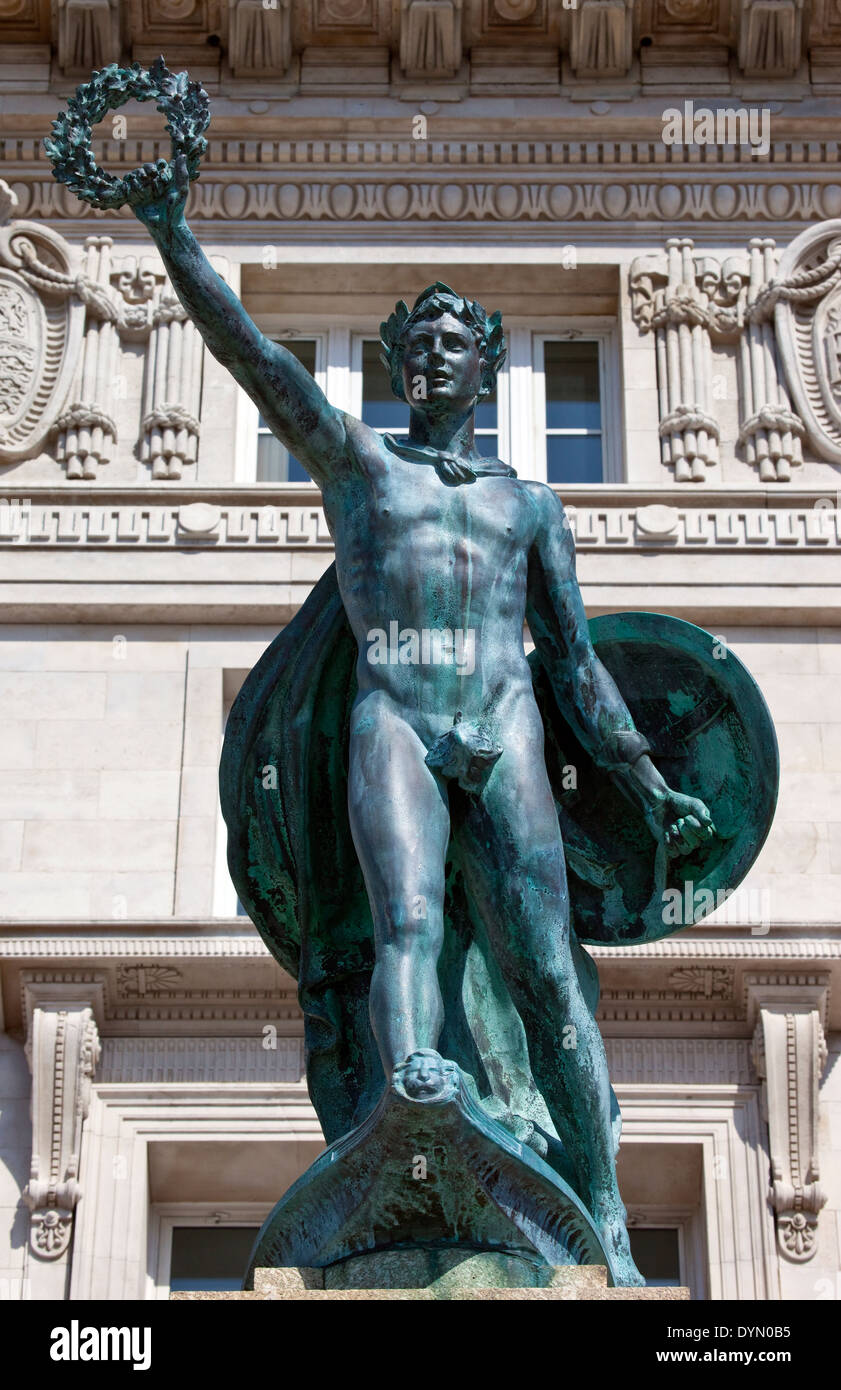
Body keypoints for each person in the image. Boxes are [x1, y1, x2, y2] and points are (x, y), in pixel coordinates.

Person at [129, 156, 715, 1284]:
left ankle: (608, 1217)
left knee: (548, 973)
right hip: (396, 722)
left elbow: (581, 664)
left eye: (459, 338)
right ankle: (413, 1106)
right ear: (399, 363)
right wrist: (171, 235)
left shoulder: (527, 504)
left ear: (489, 366)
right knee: (402, 926)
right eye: (420, 338)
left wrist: (646, 785)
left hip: (504, 732)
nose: (437, 350)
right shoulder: (359, 469)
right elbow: (252, 358)